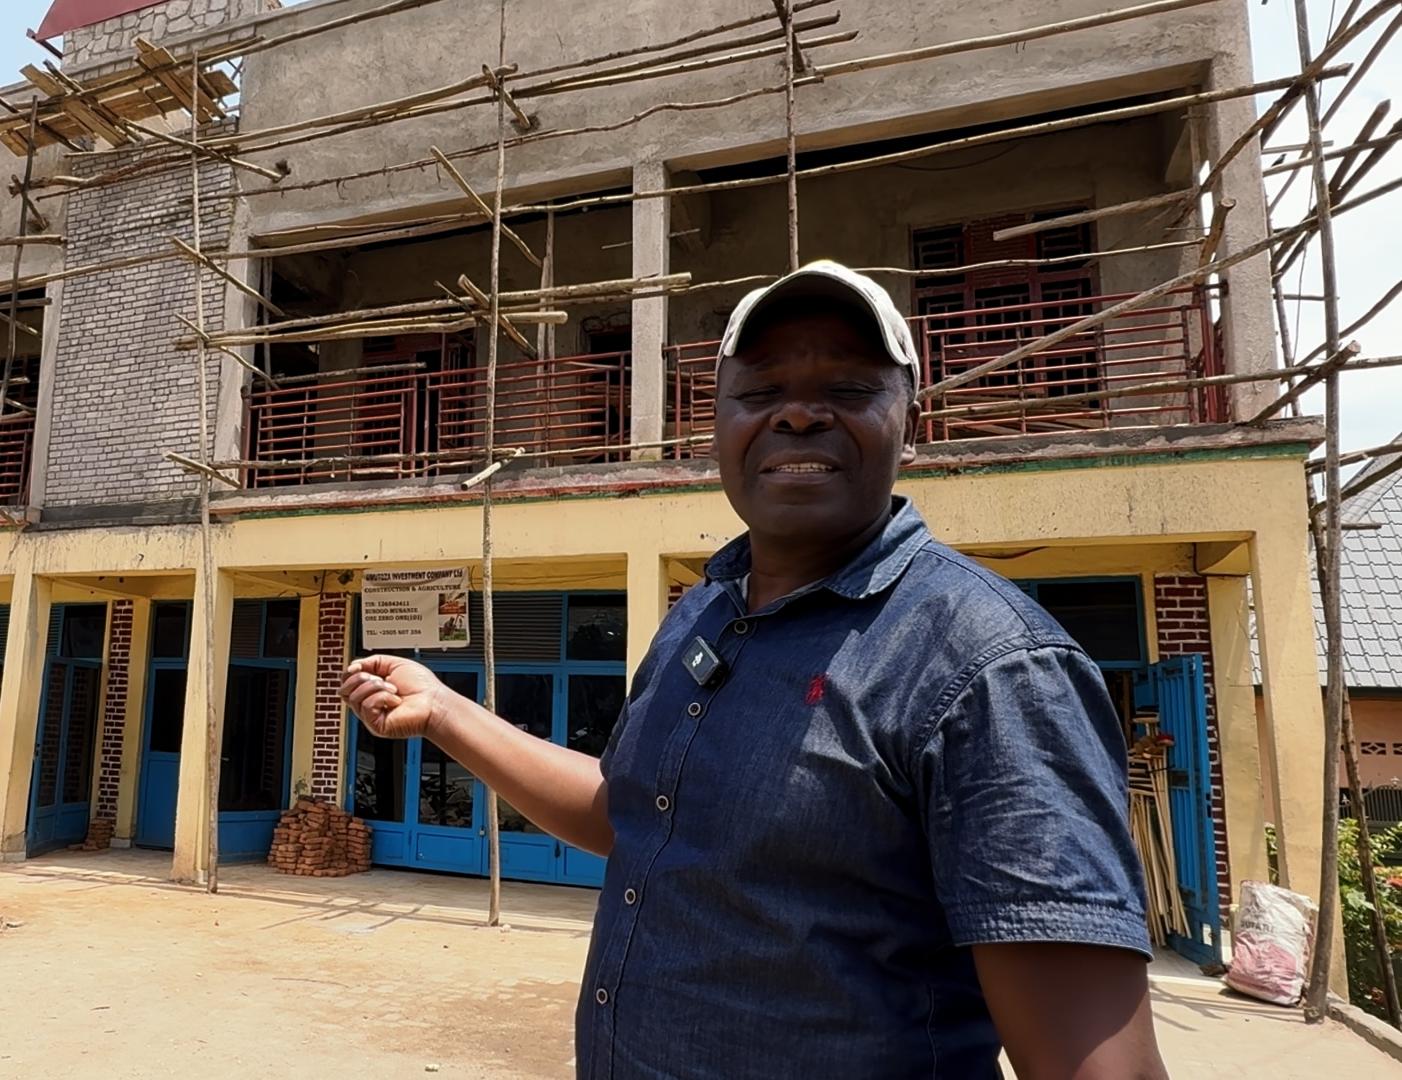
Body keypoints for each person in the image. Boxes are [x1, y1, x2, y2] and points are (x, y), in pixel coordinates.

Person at [341, 261, 1167, 1080]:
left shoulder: (992, 669)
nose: (799, 414)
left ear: (909, 421)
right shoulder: (701, 614)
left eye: (847, 388)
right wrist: (448, 711)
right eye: (761, 390)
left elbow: (1097, 1068)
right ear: (718, 423)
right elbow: (636, 817)